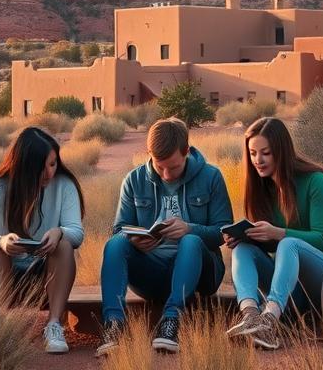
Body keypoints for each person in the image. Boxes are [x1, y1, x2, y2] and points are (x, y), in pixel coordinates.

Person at [96, 117, 234, 356]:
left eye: (174, 167)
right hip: (152, 274)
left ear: (187, 152)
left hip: (201, 273)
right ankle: (114, 325)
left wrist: (190, 228)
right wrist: (134, 239)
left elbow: (224, 232)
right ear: (149, 153)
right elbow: (120, 228)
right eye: (160, 167)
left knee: (190, 241)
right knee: (115, 244)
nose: (167, 174)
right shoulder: (134, 180)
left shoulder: (211, 177)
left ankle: (171, 321)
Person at [224, 117, 323, 350]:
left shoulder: (316, 181)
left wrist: (277, 233)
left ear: (281, 151)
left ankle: (270, 320)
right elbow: (275, 245)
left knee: (289, 243)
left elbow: (321, 240)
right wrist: (250, 237)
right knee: (243, 248)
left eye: (265, 153)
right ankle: (251, 316)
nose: (258, 160)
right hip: (295, 291)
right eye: (253, 153)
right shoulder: (263, 189)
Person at [0, 126, 85, 354]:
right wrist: (0, 241)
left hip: (43, 280)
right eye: (39, 168)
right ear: (22, 167)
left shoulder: (64, 186)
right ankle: (1, 331)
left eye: (52, 164)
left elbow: (77, 233)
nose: (49, 173)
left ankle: (53, 326)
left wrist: (59, 231)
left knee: (64, 244)